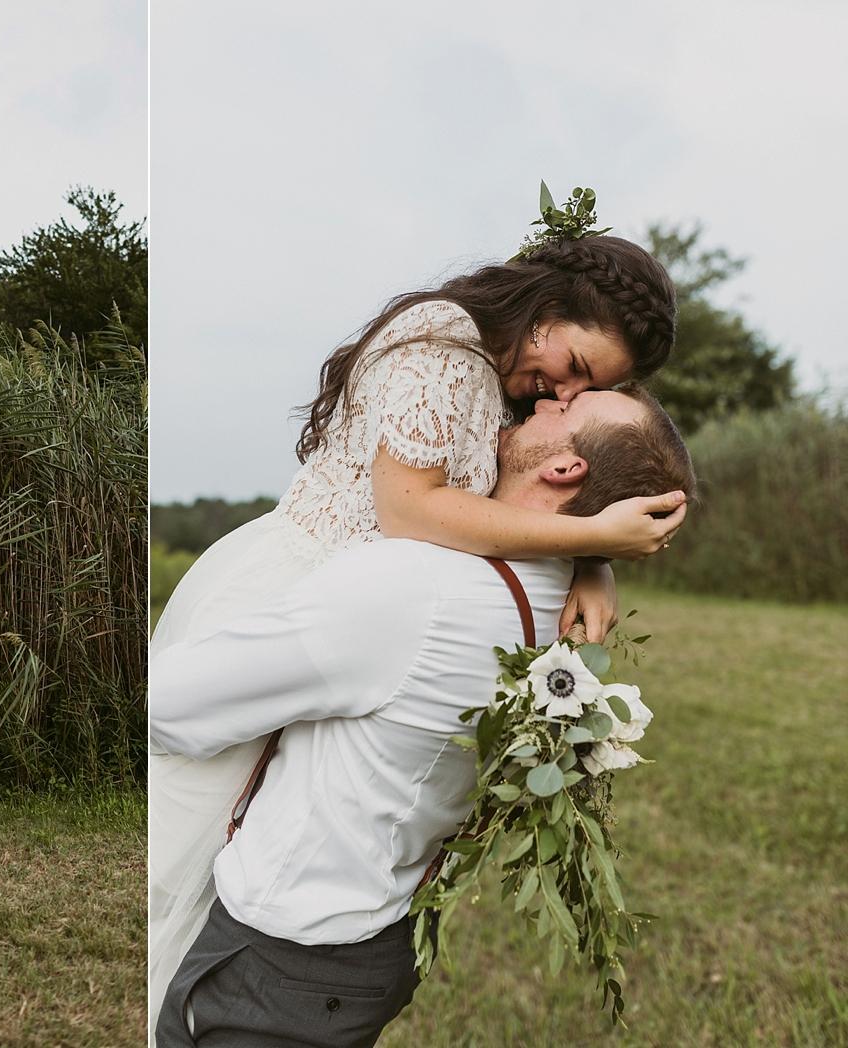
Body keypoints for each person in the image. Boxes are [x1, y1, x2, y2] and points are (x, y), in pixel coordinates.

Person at [148, 226, 686, 1023]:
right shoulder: (443, 349)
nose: (554, 396)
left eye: (577, 395)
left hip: (361, 618)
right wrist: (595, 539)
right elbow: (410, 510)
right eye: (572, 370)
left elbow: (543, 487)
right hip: (293, 592)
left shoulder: (508, 377)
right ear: (549, 308)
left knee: (253, 833)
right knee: (191, 834)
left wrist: (589, 559)